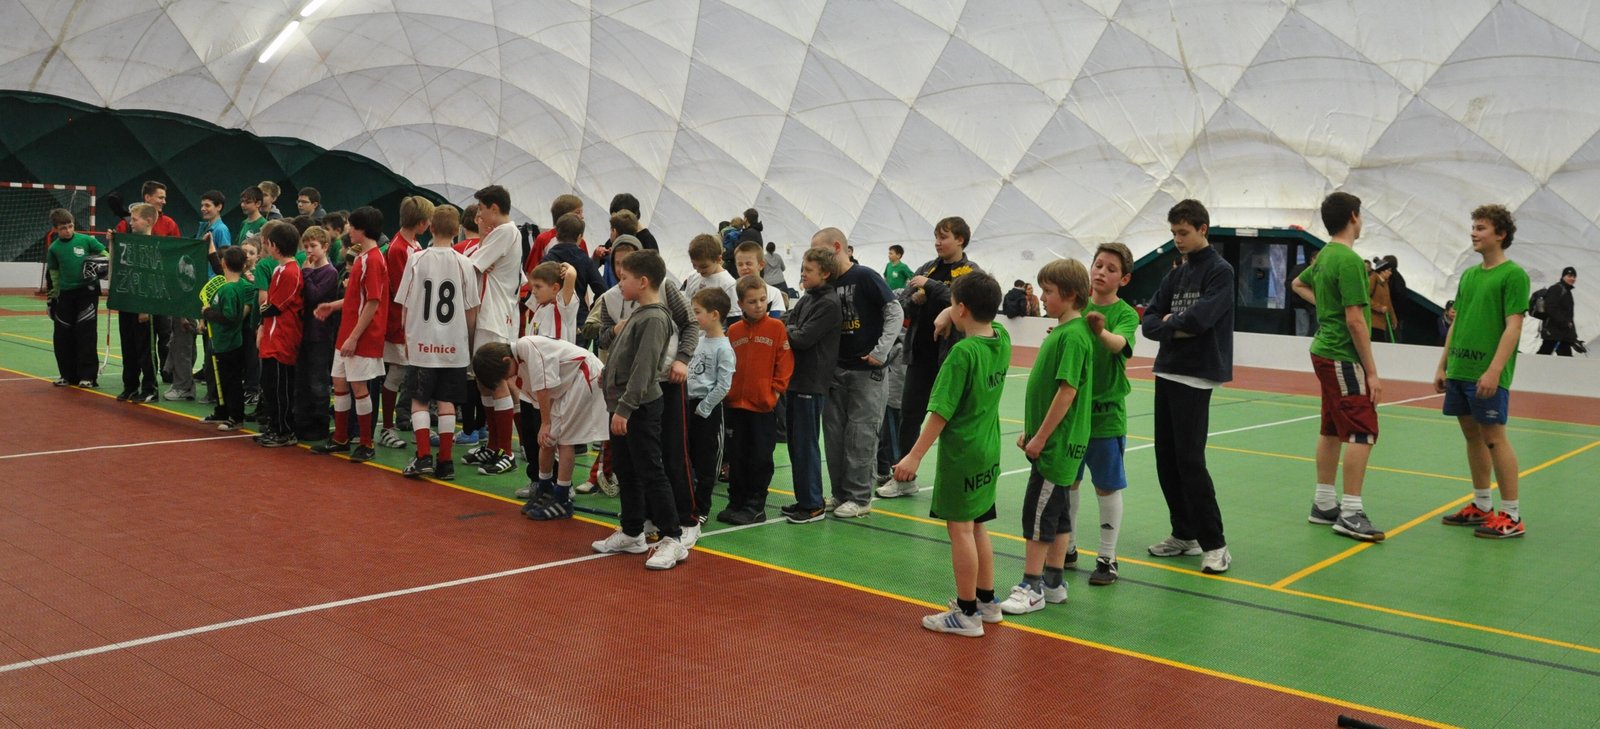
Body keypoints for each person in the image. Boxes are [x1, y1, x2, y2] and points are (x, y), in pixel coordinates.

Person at [892, 272, 1010, 636]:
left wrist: (914, 456)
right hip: (989, 447)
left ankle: (967, 613)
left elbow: (941, 412)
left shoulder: (962, 354)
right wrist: (949, 312)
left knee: (959, 529)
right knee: (979, 524)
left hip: (963, 453)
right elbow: (975, 314)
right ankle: (987, 602)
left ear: (961, 309)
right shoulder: (1001, 338)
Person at [1141, 199, 1235, 574]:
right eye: (1173, 233)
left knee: (1191, 461)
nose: (1177, 240)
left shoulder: (1221, 271)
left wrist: (1171, 324)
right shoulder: (1177, 274)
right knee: (1166, 460)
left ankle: (1216, 544)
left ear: (1202, 229)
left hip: (1196, 374)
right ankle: (1184, 534)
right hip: (1167, 371)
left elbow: (1201, 319)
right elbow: (1148, 321)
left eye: (1183, 233)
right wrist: (1171, 326)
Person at [997, 259, 1093, 615]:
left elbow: (1067, 392)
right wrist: (1033, 430)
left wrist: (1041, 438)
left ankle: (1032, 585)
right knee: (1058, 512)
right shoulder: (1064, 332)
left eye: (1048, 291)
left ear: (1070, 295)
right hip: (1054, 441)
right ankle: (1054, 582)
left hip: (1056, 445)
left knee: (1037, 513)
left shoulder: (1073, 337)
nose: (1041, 297)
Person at [1289, 192, 1387, 543]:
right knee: (1363, 429)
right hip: (1342, 354)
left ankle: (1324, 503)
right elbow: (1356, 320)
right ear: (1354, 217)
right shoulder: (1348, 260)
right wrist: (1371, 372)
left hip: (1323, 350)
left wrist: (1325, 308)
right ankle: (1351, 512)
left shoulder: (1325, 255)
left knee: (1331, 427)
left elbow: (1297, 284)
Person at [590, 250, 690, 569]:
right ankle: (633, 532)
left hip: (639, 408)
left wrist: (626, 408)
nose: (619, 283)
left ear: (643, 281)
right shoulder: (639, 312)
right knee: (626, 468)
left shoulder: (655, 318)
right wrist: (608, 377)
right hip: (624, 405)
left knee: (651, 470)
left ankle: (673, 538)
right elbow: (623, 356)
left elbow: (644, 369)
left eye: (625, 278)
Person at [1435, 205, 1529, 539]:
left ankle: (1512, 515)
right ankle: (1482, 505)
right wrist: (1443, 364)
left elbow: (1514, 326)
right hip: (1460, 369)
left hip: (1486, 374)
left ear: (1500, 234)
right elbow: (1458, 321)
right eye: (1473, 227)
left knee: (1493, 438)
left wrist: (1494, 371)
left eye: (1481, 228)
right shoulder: (1469, 276)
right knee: (1472, 436)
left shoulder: (1513, 275)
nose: (1473, 233)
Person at [881, 216, 983, 499]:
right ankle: (903, 477)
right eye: (936, 237)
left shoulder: (970, 272)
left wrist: (931, 287)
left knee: (955, 420)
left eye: (944, 237)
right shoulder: (927, 267)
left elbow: (965, 302)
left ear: (960, 240)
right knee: (909, 416)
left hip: (953, 357)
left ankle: (957, 479)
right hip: (920, 355)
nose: (938, 242)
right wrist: (914, 300)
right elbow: (902, 303)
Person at [811, 227, 902, 517]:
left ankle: (861, 498)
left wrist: (881, 351)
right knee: (835, 437)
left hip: (867, 373)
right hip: (836, 372)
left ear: (837, 247)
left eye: (821, 251)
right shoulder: (826, 283)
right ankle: (840, 494)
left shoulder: (865, 276)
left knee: (861, 436)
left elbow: (894, 311)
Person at [1071, 243, 1141, 585]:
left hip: (1105, 416)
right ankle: (1067, 547)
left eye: (1111, 269)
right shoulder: (1076, 305)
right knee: (1068, 481)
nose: (1101, 272)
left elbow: (1119, 345)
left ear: (1123, 279)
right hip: (1073, 414)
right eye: (1098, 265)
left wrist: (1100, 331)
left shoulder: (1126, 314)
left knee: (1106, 487)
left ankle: (1107, 558)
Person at [394, 205, 481, 480]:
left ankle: (423, 457)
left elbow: (405, 304)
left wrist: (406, 335)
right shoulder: (465, 263)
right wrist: (468, 341)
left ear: (431, 228)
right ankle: (445, 462)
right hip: (454, 345)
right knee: (447, 402)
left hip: (423, 341)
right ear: (457, 231)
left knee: (419, 401)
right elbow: (471, 310)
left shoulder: (416, 259)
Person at [480, 332, 607, 520]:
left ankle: (562, 499)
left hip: (583, 374)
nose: (506, 379)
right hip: (568, 384)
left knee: (564, 440)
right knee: (548, 440)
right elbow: (543, 393)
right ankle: (545, 489)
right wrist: (547, 426)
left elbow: (543, 387)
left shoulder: (526, 347)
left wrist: (546, 423)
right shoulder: (520, 363)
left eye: (503, 375)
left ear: (506, 360)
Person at [309, 206, 390, 464]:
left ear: (362, 230)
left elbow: (373, 302)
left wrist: (354, 337)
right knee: (340, 382)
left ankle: (366, 442)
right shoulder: (363, 257)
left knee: (359, 386)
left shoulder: (373, 260)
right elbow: (358, 298)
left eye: (353, 227)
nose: (349, 231)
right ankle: (341, 437)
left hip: (362, 335)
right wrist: (333, 306)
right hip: (349, 330)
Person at [722, 276, 796, 524]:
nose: (759, 305)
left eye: (763, 300)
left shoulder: (776, 328)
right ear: (740, 304)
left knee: (759, 457)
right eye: (752, 302)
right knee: (737, 455)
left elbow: (784, 363)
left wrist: (774, 392)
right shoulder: (733, 332)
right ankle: (736, 501)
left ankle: (755, 505)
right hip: (735, 406)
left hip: (762, 408)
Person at [463, 185, 522, 476]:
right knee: (483, 381)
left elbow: (470, 266)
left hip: (494, 317)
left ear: (494, 208)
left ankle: (506, 451)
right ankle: (494, 445)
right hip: (494, 315)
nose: (480, 215)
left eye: (482, 209)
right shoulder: (506, 233)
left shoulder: (506, 231)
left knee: (495, 379)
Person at [779, 254, 842, 523]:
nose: (802, 274)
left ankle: (813, 504)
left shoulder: (828, 303)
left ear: (825, 273)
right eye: (803, 269)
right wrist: (791, 326)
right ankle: (804, 498)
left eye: (808, 270)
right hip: (797, 379)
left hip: (811, 381)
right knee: (796, 443)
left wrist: (790, 328)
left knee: (805, 444)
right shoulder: (808, 298)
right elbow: (787, 320)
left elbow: (803, 338)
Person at [378, 196, 433, 449]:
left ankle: (413, 423)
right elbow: (403, 289)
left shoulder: (413, 244)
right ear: (421, 223)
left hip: (413, 320)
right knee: (397, 373)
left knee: (412, 374)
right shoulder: (398, 248)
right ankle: (387, 427)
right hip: (401, 320)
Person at [686, 288, 736, 523]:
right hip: (688, 405)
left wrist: (703, 408)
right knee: (687, 458)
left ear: (714, 315)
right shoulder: (698, 341)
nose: (694, 316)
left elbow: (723, 385)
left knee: (706, 462)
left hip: (708, 410)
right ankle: (686, 504)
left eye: (697, 312)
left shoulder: (724, 348)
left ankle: (702, 508)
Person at [255, 221, 304, 447]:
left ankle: (284, 430)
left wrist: (264, 311)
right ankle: (275, 426)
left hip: (282, 338)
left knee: (280, 389)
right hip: (273, 337)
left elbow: (273, 306)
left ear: (275, 246)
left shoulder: (291, 272)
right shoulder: (280, 270)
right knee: (270, 387)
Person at [45, 208, 105, 388]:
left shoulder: (86, 240)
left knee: (86, 334)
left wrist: (100, 265)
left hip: (87, 292)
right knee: (62, 335)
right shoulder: (54, 248)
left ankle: (88, 377)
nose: (68, 230)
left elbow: (105, 255)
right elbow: (54, 275)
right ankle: (67, 375)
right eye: (63, 228)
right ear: (55, 229)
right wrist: (52, 299)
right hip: (66, 295)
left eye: (70, 226)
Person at [199, 246, 254, 430]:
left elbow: (230, 317)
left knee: (232, 381)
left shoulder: (229, 290)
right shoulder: (231, 286)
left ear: (223, 263)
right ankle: (222, 411)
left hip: (229, 342)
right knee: (221, 378)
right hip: (221, 341)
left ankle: (236, 417)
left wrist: (208, 313)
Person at [293, 226, 340, 441]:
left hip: (320, 334)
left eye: (313, 246)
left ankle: (320, 424)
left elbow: (314, 296)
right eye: (306, 247)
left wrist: (307, 273)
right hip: (305, 331)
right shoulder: (310, 270)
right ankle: (302, 421)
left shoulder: (329, 272)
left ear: (325, 247)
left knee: (318, 381)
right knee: (302, 379)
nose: (309, 250)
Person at [113, 204, 161, 402]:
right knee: (128, 346)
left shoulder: (155, 246)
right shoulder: (128, 243)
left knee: (145, 349)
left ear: (148, 221)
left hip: (143, 307)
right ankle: (130, 385)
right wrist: (112, 244)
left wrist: (145, 308)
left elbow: (153, 279)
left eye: (134, 219)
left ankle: (150, 388)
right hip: (127, 304)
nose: (130, 223)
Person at [682, 233, 738, 308]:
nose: (698, 270)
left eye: (703, 267)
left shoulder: (728, 284)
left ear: (718, 260)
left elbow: (734, 314)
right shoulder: (692, 276)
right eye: (694, 265)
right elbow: (686, 305)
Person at [733, 241, 788, 314]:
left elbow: (776, 320)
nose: (744, 267)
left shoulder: (774, 293)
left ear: (761, 265)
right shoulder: (730, 291)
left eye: (748, 264)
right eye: (740, 264)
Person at [1536, 266, 1578, 356]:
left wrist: (1572, 335)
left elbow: (1567, 314)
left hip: (1561, 333)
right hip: (1553, 331)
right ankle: (1531, 364)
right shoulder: (1557, 289)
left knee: (1558, 356)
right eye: (1569, 276)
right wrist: (1565, 322)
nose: (1572, 278)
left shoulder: (1566, 291)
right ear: (1563, 276)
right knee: (1546, 353)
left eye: (1574, 276)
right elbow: (1550, 307)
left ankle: (1533, 364)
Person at [1288, 248, 1318, 337]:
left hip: (1314, 305)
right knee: (1302, 330)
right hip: (1301, 304)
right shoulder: (1299, 269)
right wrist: (1300, 295)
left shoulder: (1321, 270)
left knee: (1315, 329)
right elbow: (1290, 284)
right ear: (1312, 259)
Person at [1369, 257, 1396, 343]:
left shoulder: (1385, 283)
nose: (1391, 273)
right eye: (1389, 270)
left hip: (1381, 324)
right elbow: (1365, 298)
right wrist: (1379, 307)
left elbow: (1388, 302)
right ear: (1382, 271)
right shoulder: (1373, 280)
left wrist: (1393, 318)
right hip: (1372, 322)